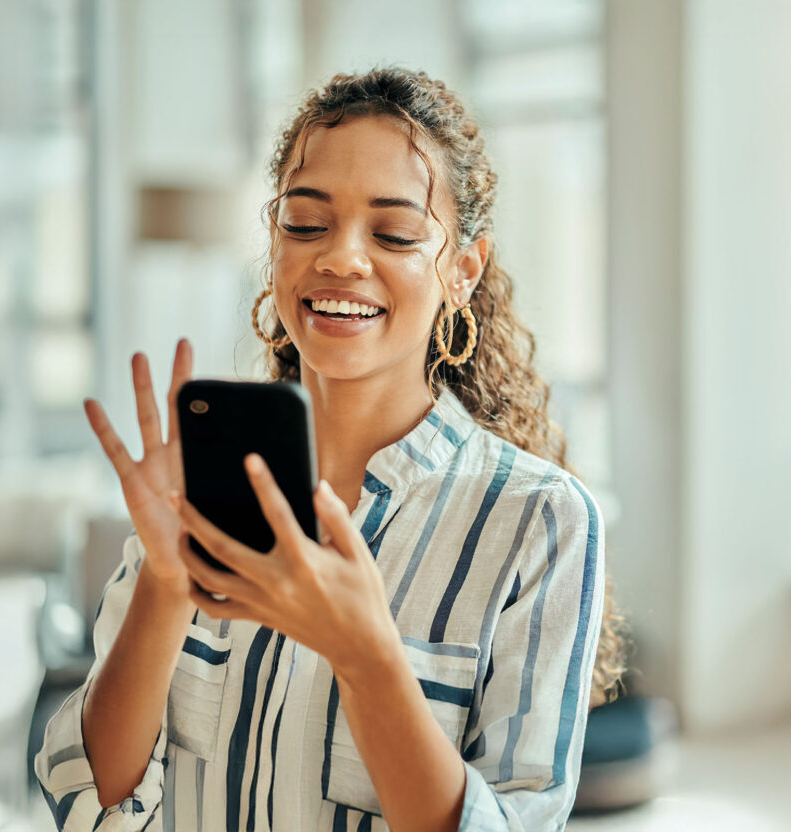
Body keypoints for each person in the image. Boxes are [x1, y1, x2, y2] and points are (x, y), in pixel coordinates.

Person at [34, 67, 626, 831]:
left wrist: (367, 657)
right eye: (306, 223)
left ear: (462, 271)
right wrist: (165, 581)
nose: (342, 258)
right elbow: (92, 802)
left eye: (396, 233)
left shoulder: (540, 522)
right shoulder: (201, 482)